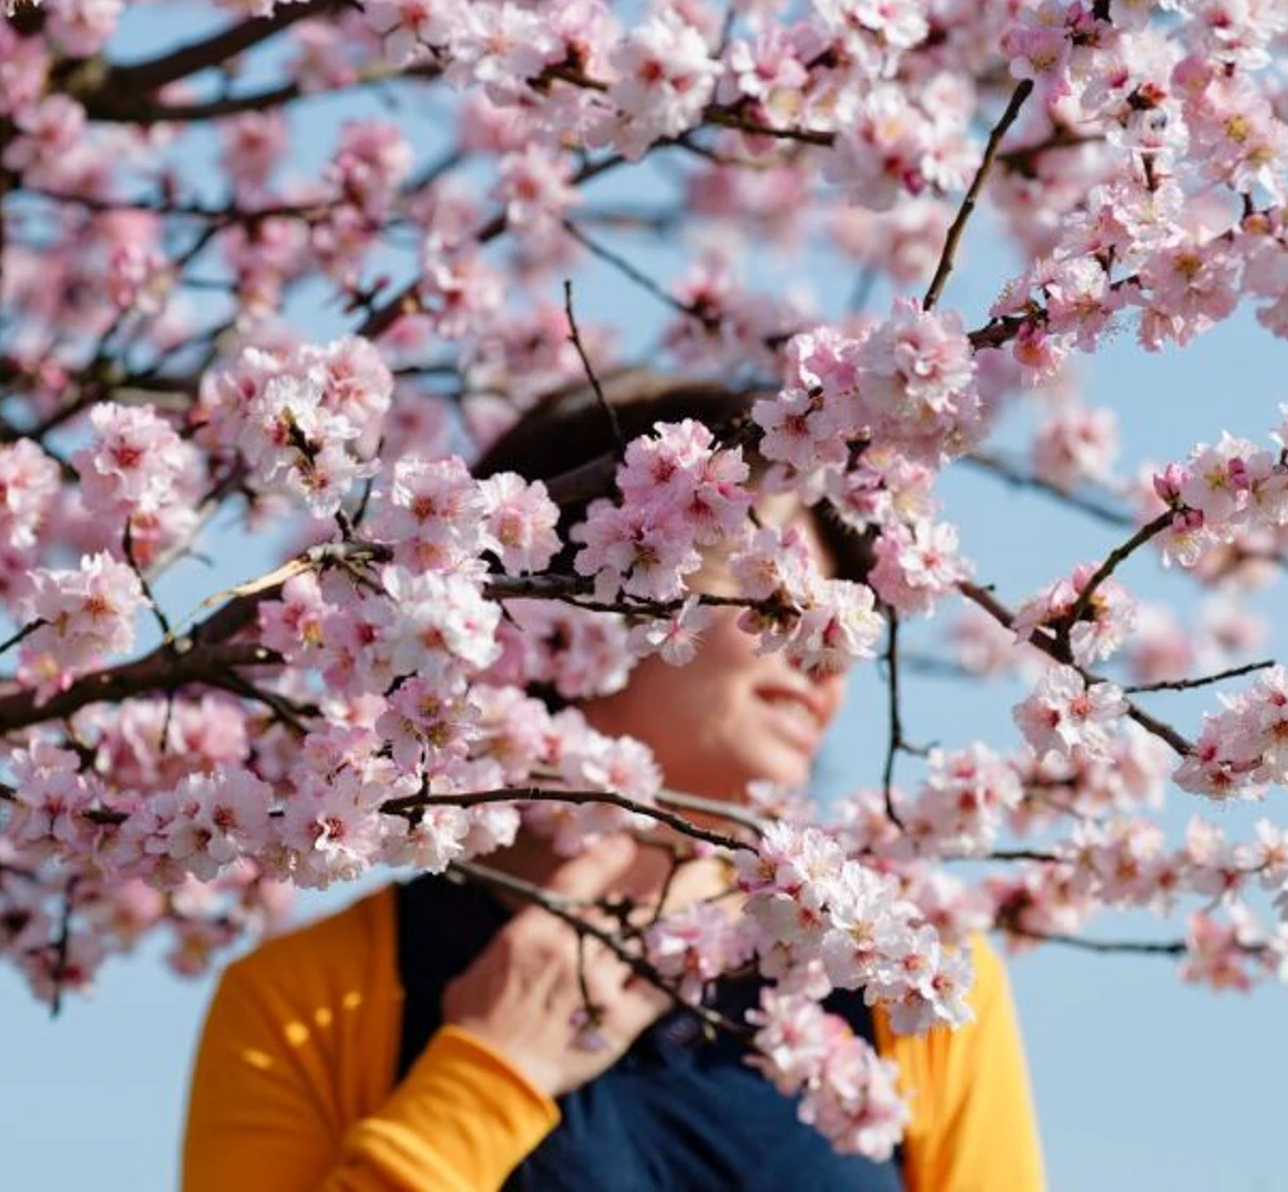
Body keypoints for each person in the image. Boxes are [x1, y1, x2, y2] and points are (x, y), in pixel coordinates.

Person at [181, 379, 1046, 1190]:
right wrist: (488, 1078)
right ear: (559, 595)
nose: (824, 646)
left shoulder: (910, 983)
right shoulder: (308, 1005)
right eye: (767, 579)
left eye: (835, 609)